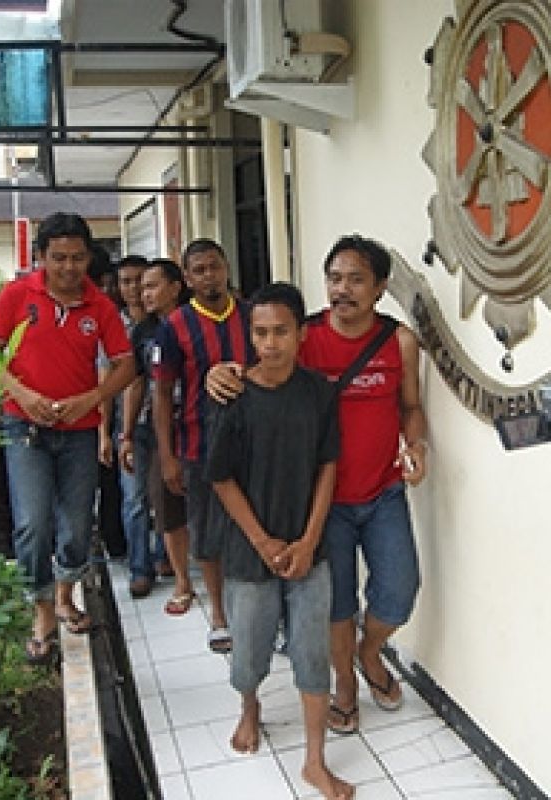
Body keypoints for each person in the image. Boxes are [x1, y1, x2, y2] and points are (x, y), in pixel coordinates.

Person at [208, 234, 429, 734]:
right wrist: (218, 374)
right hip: (321, 500)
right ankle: (346, 688)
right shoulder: (302, 336)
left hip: (383, 492)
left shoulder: (399, 341)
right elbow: (258, 374)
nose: (342, 290)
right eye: (334, 279)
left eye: (356, 280)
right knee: (337, 604)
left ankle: (370, 654)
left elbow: (411, 408)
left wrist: (417, 447)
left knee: (400, 589)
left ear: (380, 288)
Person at [205, 282, 351, 800]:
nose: (270, 344)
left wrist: (310, 539)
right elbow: (221, 478)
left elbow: (328, 465)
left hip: (311, 549)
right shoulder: (234, 396)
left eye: (281, 332)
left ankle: (315, 760)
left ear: (300, 334)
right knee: (248, 652)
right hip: (249, 552)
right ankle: (250, 708)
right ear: (250, 335)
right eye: (261, 333)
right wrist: (265, 542)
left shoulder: (318, 392)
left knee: (313, 653)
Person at [0, 212, 135, 663]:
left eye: (77, 258)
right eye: (59, 258)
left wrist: (91, 398)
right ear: (41, 257)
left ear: (89, 257)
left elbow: (125, 365)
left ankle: (67, 592)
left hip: (80, 434)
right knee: (32, 524)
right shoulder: (16, 296)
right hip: (24, 426)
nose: (69, 267)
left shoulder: (101, 307)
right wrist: (22, 395)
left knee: (74, 526)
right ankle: (43, 609)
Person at [151, 239, 254, 651]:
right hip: (198, 444)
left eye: (215, 266)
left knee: (257, 526)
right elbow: (161, 394)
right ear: (187, 279)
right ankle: (219, 614)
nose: (209, 276)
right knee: (208, 536)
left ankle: (261, 611)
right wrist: (167, 456)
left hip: (253, 443)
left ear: (226, 267)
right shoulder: (173, 327)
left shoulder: (251, 316)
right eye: (199, 270)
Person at [120, 259, 191, 606]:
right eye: (141, 287)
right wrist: (126, 434)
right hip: (154, 427)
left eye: (151, 286)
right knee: (160, 503)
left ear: (175, 287)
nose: (143, 294)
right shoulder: (143, 331)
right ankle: (178, 579)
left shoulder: (194, 322)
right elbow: (137, 383)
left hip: (193, 422)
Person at [101, 254, 167, 597]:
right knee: (135, 499)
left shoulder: (167, 324)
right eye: (126, 281)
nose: (135, 289)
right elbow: (110, 382)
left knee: (166, 493)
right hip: (131, 424)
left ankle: (164, 557)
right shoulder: (113, 325)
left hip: (168, 423)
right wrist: (109, 433)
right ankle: (140, 568)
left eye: (142, 281)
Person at [89, 245, 127, 560]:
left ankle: (115, 542)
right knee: (107, 481)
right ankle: (113, 542)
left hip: (110, 410)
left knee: (113, 483)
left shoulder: (109, 316)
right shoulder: (103, 314)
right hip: (97, 410)